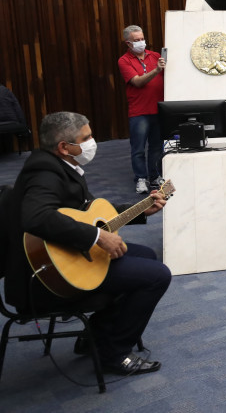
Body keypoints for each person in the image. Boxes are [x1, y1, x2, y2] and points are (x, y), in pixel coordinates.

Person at [2, 112, 171, 375]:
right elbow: (36, 216)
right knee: (157, 276)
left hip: (67, 253)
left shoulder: (59, 165)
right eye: (87, 138)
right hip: (47, 276)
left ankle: (96, 333)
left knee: (147, 255)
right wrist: (98, 237)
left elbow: (88, 212)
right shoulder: (44, 172)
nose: (93, 142)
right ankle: (113, 354)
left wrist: (140, 210)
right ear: (64, 147)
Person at [118, 25, 166, 194]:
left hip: (159, 109)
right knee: (138, 148)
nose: (141, 42)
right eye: (136, 40)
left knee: (156, 147)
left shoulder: (156, 56)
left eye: (142, 39)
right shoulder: (124, 61)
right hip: (139, 111)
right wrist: (157, 71)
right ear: (128, 43)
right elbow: (137, 82)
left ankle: (155, 176)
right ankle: (140, 178)